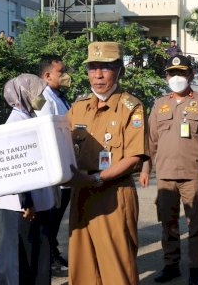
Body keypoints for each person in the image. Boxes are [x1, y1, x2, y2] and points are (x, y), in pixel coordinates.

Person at [66, 41, 149, 284]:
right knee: (82, 267)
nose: (98, 75)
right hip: (81, 194)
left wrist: (97, 178)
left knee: (116, 269)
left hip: (112, 194)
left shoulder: (130, 107)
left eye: (106, 67)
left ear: (119, 70)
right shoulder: (78, 107)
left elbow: (134, 156)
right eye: (93, 67)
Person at [143, 55, 198, 285]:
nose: (177, 78)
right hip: (165, 175)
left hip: (194, 174)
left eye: (182, 73)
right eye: (173, 73)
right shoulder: (159, 103)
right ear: (167, 76)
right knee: (168, 223)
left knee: (196, 224)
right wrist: (145, 167)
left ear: (191, 75)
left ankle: (195, 268)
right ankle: (171, 265)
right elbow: (151, 140)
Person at [0, 74, 56, 285]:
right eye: (37, 94)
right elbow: (17, 167)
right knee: (22, 258)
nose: (41, 98)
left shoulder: (28, 118)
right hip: (24, 205)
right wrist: (26, 201)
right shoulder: (17, 123)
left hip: (36, 201)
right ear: (23, 94)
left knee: (32, 254)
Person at [36, 56, 72, 273]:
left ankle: (52, 252)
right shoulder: (40, 97)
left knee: (56, 217)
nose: (65, 75)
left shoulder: (59, 96)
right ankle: (46, 257)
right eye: (61, 72)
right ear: (48, 75)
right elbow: (39, 127)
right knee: (49, 218)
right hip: (53, 169)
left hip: (64, 167)